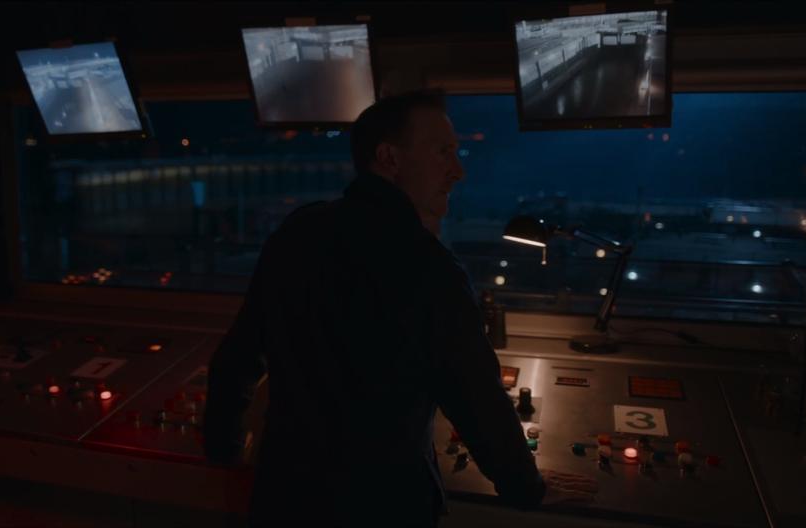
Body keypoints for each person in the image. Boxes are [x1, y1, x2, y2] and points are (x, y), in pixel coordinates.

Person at [204, 91, 595, 527]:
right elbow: (476, 399)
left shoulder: (297, 232)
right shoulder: (429, 266)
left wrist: (223, 449)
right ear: (389, 158)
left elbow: (237, 358)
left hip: (284, 495)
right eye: (443, 152)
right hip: (383, 504)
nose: (458, 170)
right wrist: (528, 488)